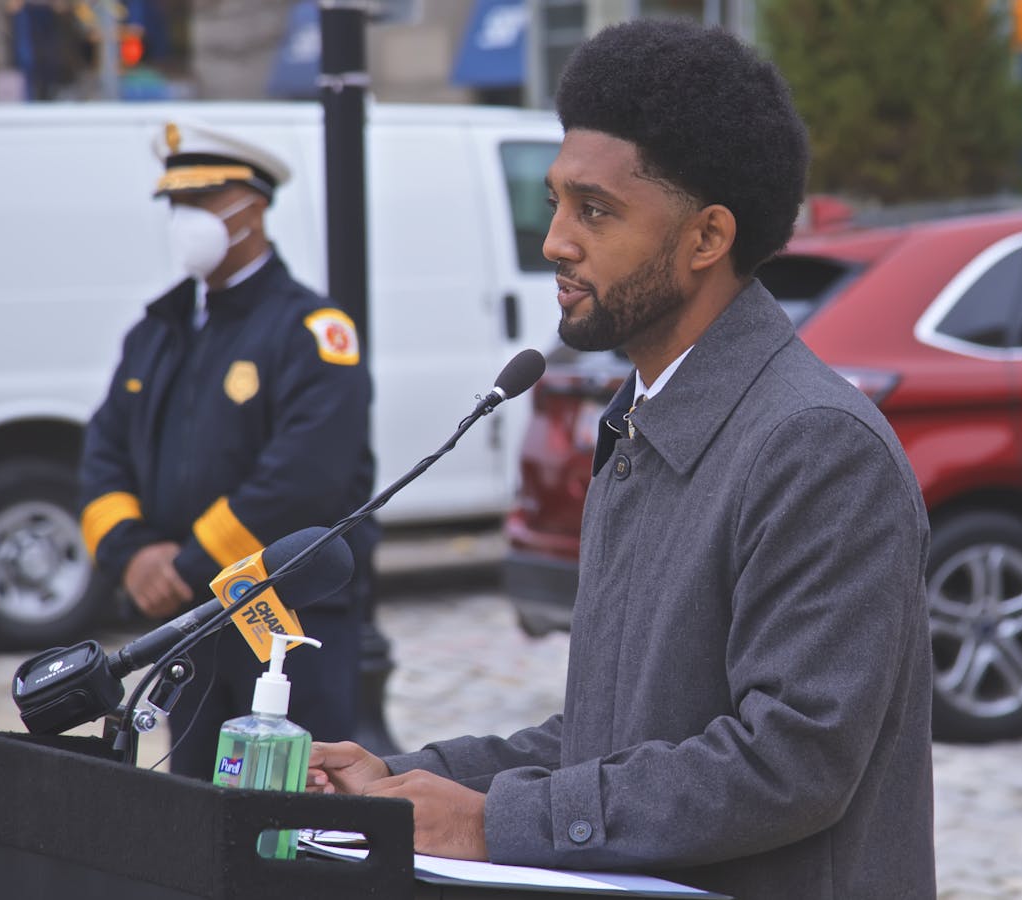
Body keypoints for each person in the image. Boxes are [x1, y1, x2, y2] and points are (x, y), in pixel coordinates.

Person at [306, 19, 935, 899]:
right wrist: (399, 780)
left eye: (595, 210)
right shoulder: (641, 416)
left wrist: (490, 824)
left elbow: (789, 766)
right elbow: (609, 740)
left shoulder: (815, 446)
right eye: (559, 202)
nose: (556, 240)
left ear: (707, 238)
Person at [79, 121, 377, 779]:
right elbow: (103, 449)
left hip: (285, 626)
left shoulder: (311, 330)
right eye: (177, 205)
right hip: (197, 626)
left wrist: (185, 565)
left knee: (295, 816)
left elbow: (305, 479)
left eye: (204, 202)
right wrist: (132, 555)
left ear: (253, 208)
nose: (186, 220)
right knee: (193, 809)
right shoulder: (159, 330)